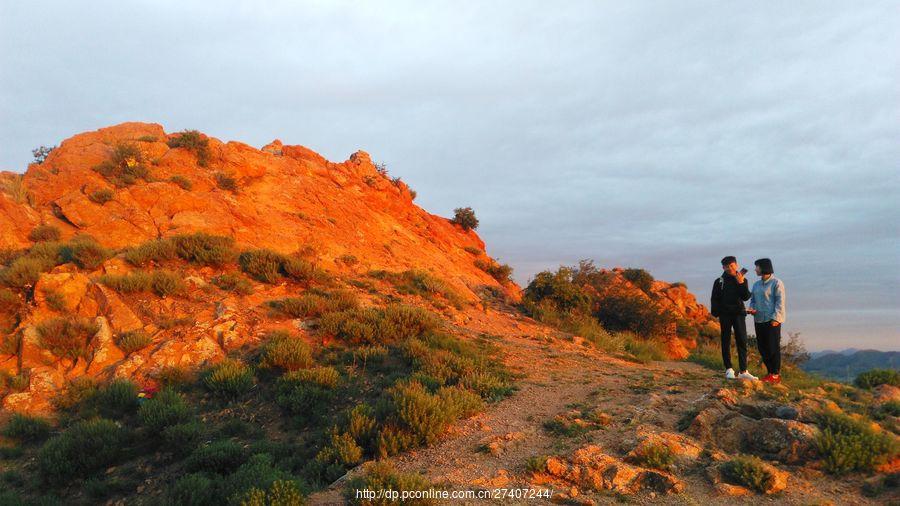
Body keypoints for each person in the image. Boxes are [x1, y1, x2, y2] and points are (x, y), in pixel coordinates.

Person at [710, 256, 757, 380]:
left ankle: (743, 371)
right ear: (723, 268)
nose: (729, 268)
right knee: (725, 340)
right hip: (725, 314)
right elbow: (714, 298)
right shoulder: (719, 281)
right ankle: (729, 369)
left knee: (742, 340)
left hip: (739, 314)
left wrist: (741, 282)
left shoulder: (742, 279)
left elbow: (746, 297)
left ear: (736, 265)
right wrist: (716, 313)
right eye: (726, 266)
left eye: (731, 265)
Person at [747, 258, 786, 384]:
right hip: (758, 319)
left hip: (772, 320)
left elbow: (780, 301)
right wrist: (751, 308)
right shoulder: (756, 285)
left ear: (764, 267)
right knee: (762, 347)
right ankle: (770, 372)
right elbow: (752, 300)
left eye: (757, 267)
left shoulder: (777, 283)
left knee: (772, 347)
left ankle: (775, 374)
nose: (755, 269)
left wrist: (776, 318)